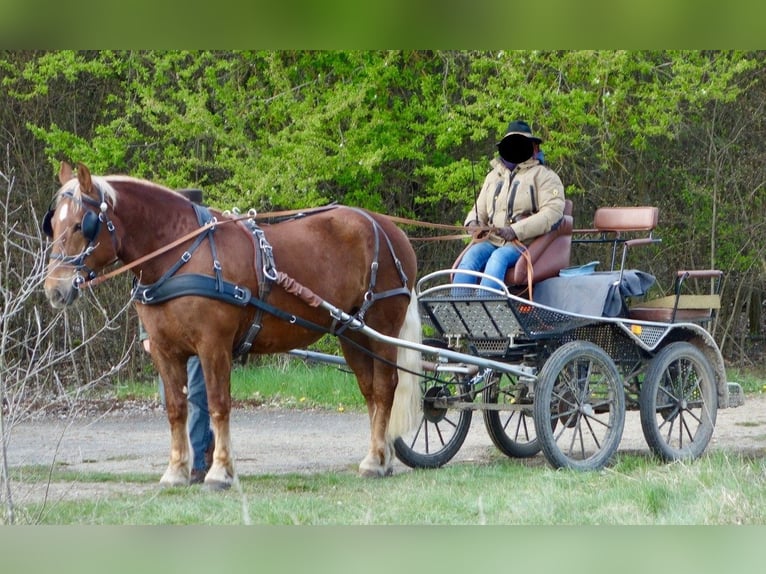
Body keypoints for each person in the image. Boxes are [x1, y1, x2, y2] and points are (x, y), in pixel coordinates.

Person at [138, 188, 214, 485]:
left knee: (196, 395)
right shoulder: (161, 253)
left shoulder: (208, 250)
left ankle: (194, 461)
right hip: (169, 340)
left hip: (198, 338)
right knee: (169, 397)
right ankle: (205, 444)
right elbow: (145, 295)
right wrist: (146, 332)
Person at [453, 120, 565, 290]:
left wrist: (516, 230)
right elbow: (478, 210)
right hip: (492, 239)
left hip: (524, 242)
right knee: (470, 257)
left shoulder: (546, 177)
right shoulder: (493, 177)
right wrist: (473, 224)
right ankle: (458, 307)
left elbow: (553, 213)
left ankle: (486, 307)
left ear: (533, 147)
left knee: (498, 258)